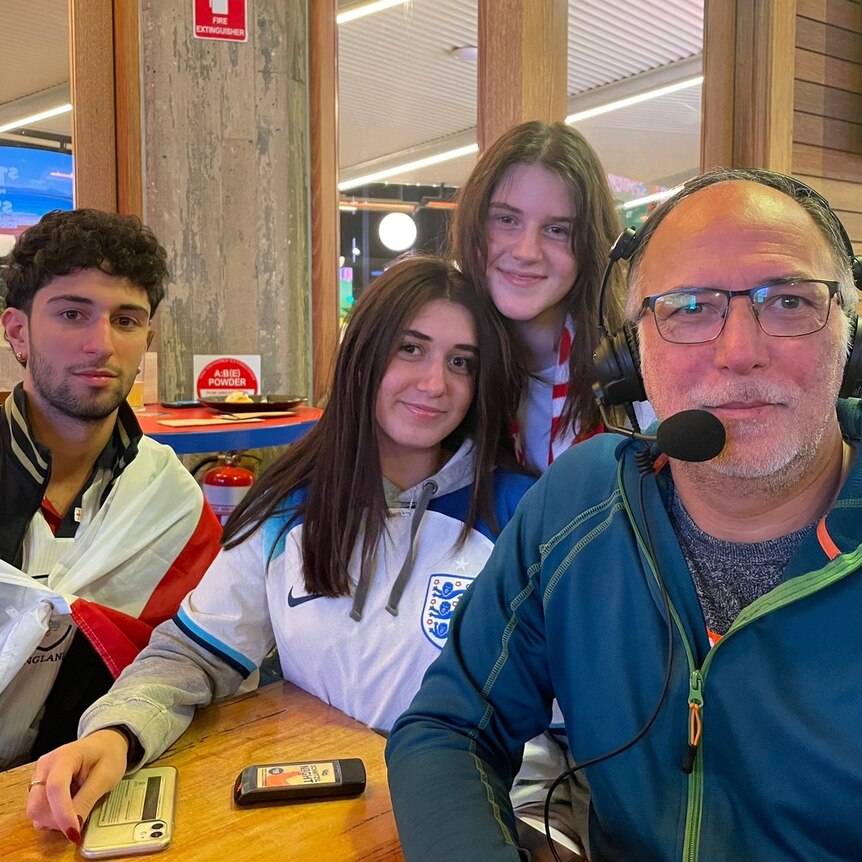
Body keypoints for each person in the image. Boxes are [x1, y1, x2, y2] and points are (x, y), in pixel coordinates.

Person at [385, 169, 862, 861]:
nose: (738, 352)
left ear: (850, 334)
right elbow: (449, 727)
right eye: (689, 308)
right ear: (631, 355)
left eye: (788, 301)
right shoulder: (578, 499)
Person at [26, 255, 534, 844]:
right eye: (410, 349)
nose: (434, 383)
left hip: (468, 825)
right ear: (363, 355)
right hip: (320, 816)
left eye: (461, 362)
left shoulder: (523, 514)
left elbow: (556, 725)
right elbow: (194, 654)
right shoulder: (287, 504)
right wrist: (113, 735)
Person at [0, 209, 221, 774]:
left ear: (147, 337)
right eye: (72, 313)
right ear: (17, 331)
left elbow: (193, 662)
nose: (100, 344)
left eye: (125, 320)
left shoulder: (173, 504)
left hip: (89, 777)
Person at [451, 120, 651, 474]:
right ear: (474, 225)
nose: (527, 251)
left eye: (557, 230)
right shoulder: (442, 360)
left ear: (590, 245)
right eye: (506, 220)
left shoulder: (639, 374)